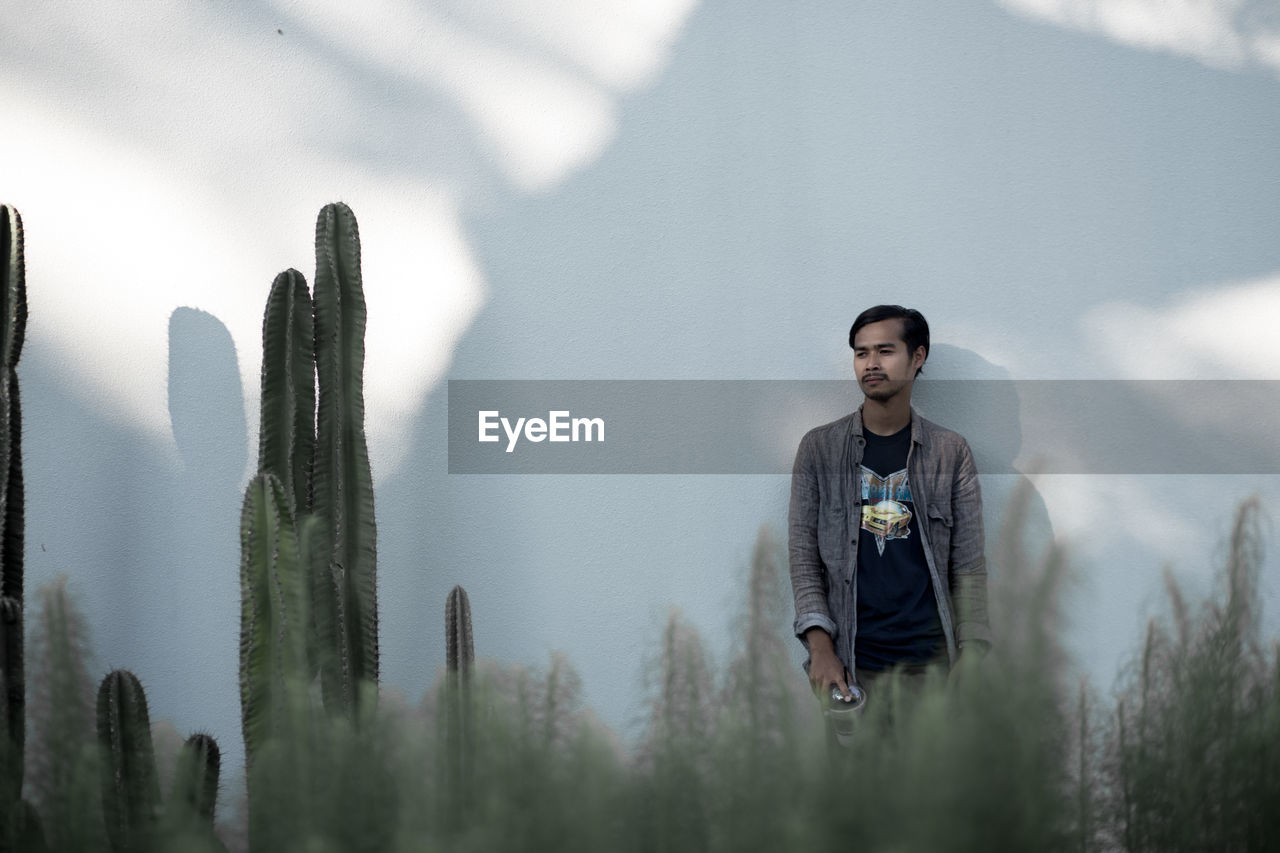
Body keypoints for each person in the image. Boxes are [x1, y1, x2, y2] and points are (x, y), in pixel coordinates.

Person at [788, 305, 991, 724]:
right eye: (862, 353)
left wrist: (972, 656)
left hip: (934, 666)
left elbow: (968, 566)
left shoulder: (950, 452)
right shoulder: (819, 449)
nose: (872, 364)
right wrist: (820, 650)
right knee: (857, 788)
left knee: (930, 789)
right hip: (852, 666)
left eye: (885, 350)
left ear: (917, 357)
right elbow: (803, 558)